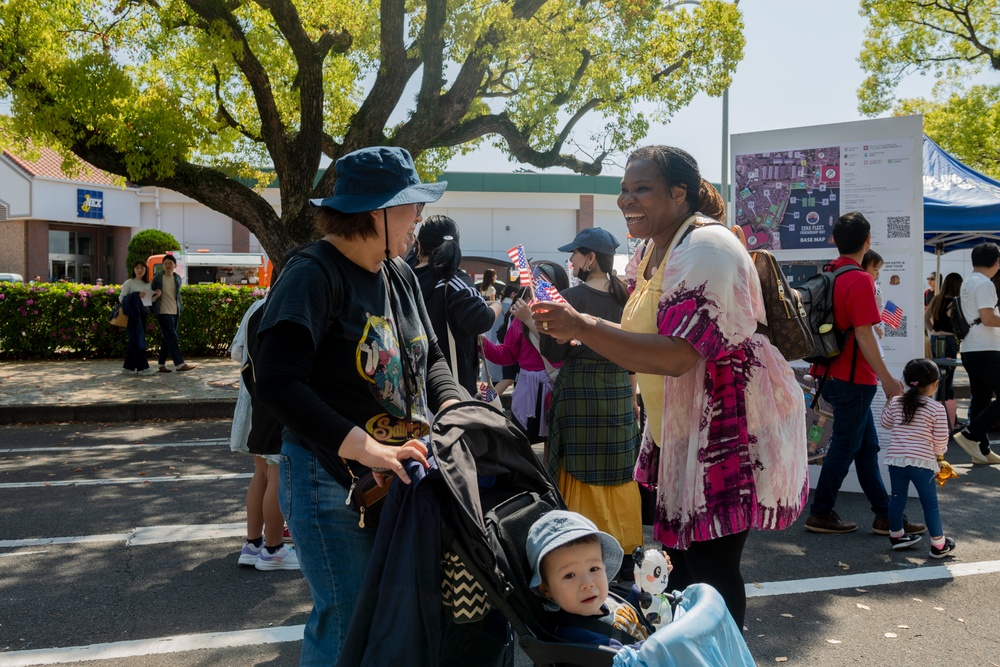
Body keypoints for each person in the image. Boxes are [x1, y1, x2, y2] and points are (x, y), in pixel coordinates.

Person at [530, 145, 808, 630]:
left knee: (712, 572)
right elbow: (640, 337)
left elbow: (680, 355)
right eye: (623, 188)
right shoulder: (651, 249)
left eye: (642, 189)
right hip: (683, 431)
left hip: (728, 429)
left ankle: (722, 659)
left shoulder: (708, 248)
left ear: (680, 193)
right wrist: (573, 325)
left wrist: (582, 325)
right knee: (687, 572)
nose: (625, 199)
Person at [253, 146, 463, 664]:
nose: (418, 218)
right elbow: (278, 384)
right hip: (330, 480)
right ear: (378, 212)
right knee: (349, 624)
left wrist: (458, 408)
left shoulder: (401, 274)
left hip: (396, 476)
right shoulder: (311, 273)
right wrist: (365, 448)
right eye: (411, 206)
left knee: (393, 620)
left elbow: (430, 355)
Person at [803, 213, 921, 536]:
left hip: (831, 372)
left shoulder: (830, 273)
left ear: (834, 240)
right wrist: (886, 378)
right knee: (845, 446)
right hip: (855, 378)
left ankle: (885, 515)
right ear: (868, 241)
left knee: (865, 447)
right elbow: (866, 334)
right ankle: (820, 512)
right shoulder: (860, 280)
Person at [539, 227, 641, 579]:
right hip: (617, 392)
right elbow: (634, 354)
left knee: (576, 465)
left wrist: (530, 323)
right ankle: (625, 544)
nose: (571, 261)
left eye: (575, 255)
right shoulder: (628, 297)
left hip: (579, 392)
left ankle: (580, 542)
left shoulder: (568, 299)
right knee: (619, 468)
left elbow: (553, 352)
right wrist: (633, 394)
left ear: (590, 258)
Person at [229, 296, 298, 571]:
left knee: (261, 473)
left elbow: (237, 352)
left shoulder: (258, 306)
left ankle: (253, 543)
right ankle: (273, 549)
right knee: (277, 475)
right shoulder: (289, 305)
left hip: (254, 400)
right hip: (278, 402)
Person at [527, 510, 654, 647]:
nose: (587, 584)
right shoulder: (578, 637)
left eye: (594, 569)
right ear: (546, 589)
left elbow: (625, 612)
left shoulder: (604, 600)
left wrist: (650, 584)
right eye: (569, 575)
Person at [412, 215, 502, 396]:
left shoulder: (405, 278)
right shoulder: (453, 280)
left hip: (413, 388)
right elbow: (480, 320)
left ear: (419, 245)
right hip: (451, 390)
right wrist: (498, 305)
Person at [481, 263, 567, 443]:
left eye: (542, 283)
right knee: (524, 445)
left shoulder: (566, 313)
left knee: (554, 450)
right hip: (528, 391)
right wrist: (482, 344)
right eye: (533, 284)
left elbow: (561, 347)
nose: (536, 288)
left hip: (556, 388)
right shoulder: (520, 317)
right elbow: (507, 354)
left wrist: (529, 319)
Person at [879, 359, 956, 558]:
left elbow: (886, 423)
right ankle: (939, 545)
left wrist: (890, 400)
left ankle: (897, 536)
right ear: (934, 384)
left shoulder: (897, 402)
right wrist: (940, 456)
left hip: (896, 461)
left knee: (896, 499)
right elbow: (940, 439)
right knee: (929, 504)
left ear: (906, 381)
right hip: (922, 463)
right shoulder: (936, 409)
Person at [951, 243, 1000, 465]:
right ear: (996, 262)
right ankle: (971, 435)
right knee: (983, 396)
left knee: (980, 397)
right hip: (985, 348)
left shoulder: (968, 282)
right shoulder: (985, 284)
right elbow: (988, 318)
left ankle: (982, 449)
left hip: (971, 347)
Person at [150, 254, 196, 373]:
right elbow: (149, 294)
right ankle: (180, 364)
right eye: (165, 263)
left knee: (167, 339)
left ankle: (161, 364)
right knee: (173, 337)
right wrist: (156, 296)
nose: (168, 265)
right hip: (163, 311)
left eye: (170, 263)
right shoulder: (157, 278)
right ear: (163, 265)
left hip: (175, 312)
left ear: (175, 265)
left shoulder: (177, 278)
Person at [924, 272, 963, 399]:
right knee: (946, 378)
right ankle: (944, 409)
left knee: (935, 375)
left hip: (934, 339)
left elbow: (925, 318)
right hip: (949, 340)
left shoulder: (936, 299)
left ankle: (937, 405)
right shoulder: (956, 302)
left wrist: (934, 331)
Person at [118, 260, 159, 373]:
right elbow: (122, 299)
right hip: (132, 316)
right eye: (137, 268)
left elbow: (147, 302)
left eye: (142, 268)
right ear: (134, 269)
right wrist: (136, 295)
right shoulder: (129, 283)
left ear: (146, 270)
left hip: (142, 315)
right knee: (136, 340)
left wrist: (156, 296)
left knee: (136, 340)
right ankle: (143, 368)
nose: (140, 270)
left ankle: (128, 367)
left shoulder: (147, 284)